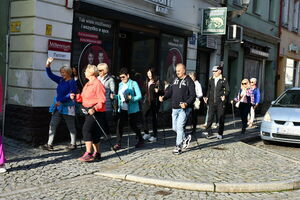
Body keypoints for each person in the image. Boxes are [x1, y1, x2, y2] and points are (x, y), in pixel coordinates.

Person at [71, 64, 106, 162]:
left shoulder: (97, 84)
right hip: (87, 111)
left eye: (86, 71)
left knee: (86, 129)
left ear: (91, 72)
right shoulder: (87, 84)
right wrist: (76, 96)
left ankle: (89, 153)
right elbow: (83, 98)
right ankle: (97, 153)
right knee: (94, 133)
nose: (84, 72)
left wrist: (94, 108)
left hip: (96, 112)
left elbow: (102, 100)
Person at [42, 57, 77, 151]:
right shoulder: (61, 80)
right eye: (61, 72)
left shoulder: (72, 82)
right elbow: (50, 75)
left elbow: (72, 94)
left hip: (67, 106)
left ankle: (73, 144)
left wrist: (61, 101)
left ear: (68, 73)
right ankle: (49, 144)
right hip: (58, 106)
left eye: (63, 72)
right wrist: (48, 64)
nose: (61, 74)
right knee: (52, 124)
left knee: (71, 125)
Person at [159, 63, 195, 155]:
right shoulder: (175, 80)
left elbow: (193, 96)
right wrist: (164, 97)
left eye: (179, 70)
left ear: (184, 70)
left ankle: (178, 146)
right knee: (174, 128)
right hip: (174, 108)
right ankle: (185, 139)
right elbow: (170, 91)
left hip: (184, 109)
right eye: (176, 71)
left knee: (179, 127)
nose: (177, 72)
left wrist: (186, 103)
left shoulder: (189, 81)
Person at [112, 68, 144, 151]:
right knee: (119, 126)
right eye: (120, 77)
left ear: (128, 76)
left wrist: (132, 98)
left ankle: (141, 139)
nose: (122, 79)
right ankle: (118, 143)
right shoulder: (120, 84)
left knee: (133, 125)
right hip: (122, 108)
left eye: (123, 77)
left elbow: (139, 96)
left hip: (132, 109)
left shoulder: (133, 83)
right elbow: (119, 96)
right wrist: (114, 96)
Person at [203, 65, 230, 140]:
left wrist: (224, 95)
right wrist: (207, 97)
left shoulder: (224, 79)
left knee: (220, 118)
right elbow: (209, 89)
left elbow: (228, 90)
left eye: (215, 71)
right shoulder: (211, 79)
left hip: (220, 102)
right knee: (210, 117)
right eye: (213, 71)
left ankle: (220, 133)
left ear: (219, 71)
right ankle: (208, 132)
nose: (213, 72)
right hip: (211, 101)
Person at [142, 68, 161, 142]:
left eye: (150, 73)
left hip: (155, 102)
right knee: (144, 115)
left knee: (154, 118)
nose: (149, 75)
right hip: (147, 102)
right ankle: (146, 133)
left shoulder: (157, 82)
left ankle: (154, 135)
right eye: (148, 73)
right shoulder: (146, 81)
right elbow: (143, 91)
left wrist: (158, 91)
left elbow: (162, 92)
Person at [97, 63, 115, 138]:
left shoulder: (110, 79)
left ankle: (107, 134)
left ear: (105, 70)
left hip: (106, 103)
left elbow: (113, 92)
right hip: (98, 102)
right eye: (98, 70)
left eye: (100, 70)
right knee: (99, 120)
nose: (99, 72)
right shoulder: (97, 78)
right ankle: (100, 134)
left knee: (105, 121)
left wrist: (112, 95)